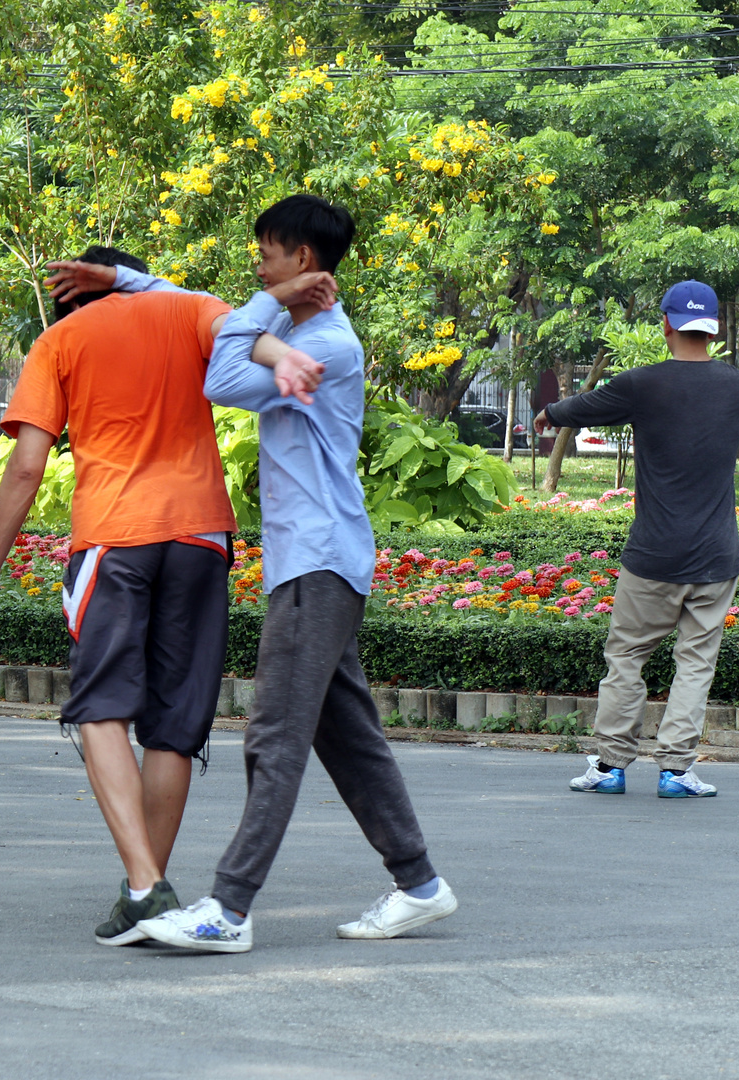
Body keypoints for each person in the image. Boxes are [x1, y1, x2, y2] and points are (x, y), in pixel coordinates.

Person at [68, 194, 455, 954]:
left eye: (268, 254)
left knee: (274, 735)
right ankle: (419, 884)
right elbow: (206, 311)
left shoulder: (324, 350)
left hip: (315, 562)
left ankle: (230, 908)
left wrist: (267, 307)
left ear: (302, 262)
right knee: (349, 740)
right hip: (316, 561)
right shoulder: (291, 327)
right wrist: (121, 279)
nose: (258, 264)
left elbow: (218, 378)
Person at [0, 246, 319, 947]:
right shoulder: (187, 309)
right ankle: (145, 892)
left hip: (113, 539)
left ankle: (143, 886)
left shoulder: (60, 340)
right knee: (173, 723)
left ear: (73, 293)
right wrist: (285, 356)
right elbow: (250, 336)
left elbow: (29, 464)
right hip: (200, 538)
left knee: (100, 707)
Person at [538, 280, 739, 798]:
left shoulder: (643, 384)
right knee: (696, 664)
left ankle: (610, 766)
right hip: (716, 554)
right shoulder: (738, 385)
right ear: (713, 329)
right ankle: (676, 772)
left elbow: (588, 406)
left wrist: (554, 413)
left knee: (627, 658)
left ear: (667, 325)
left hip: (653, 554)